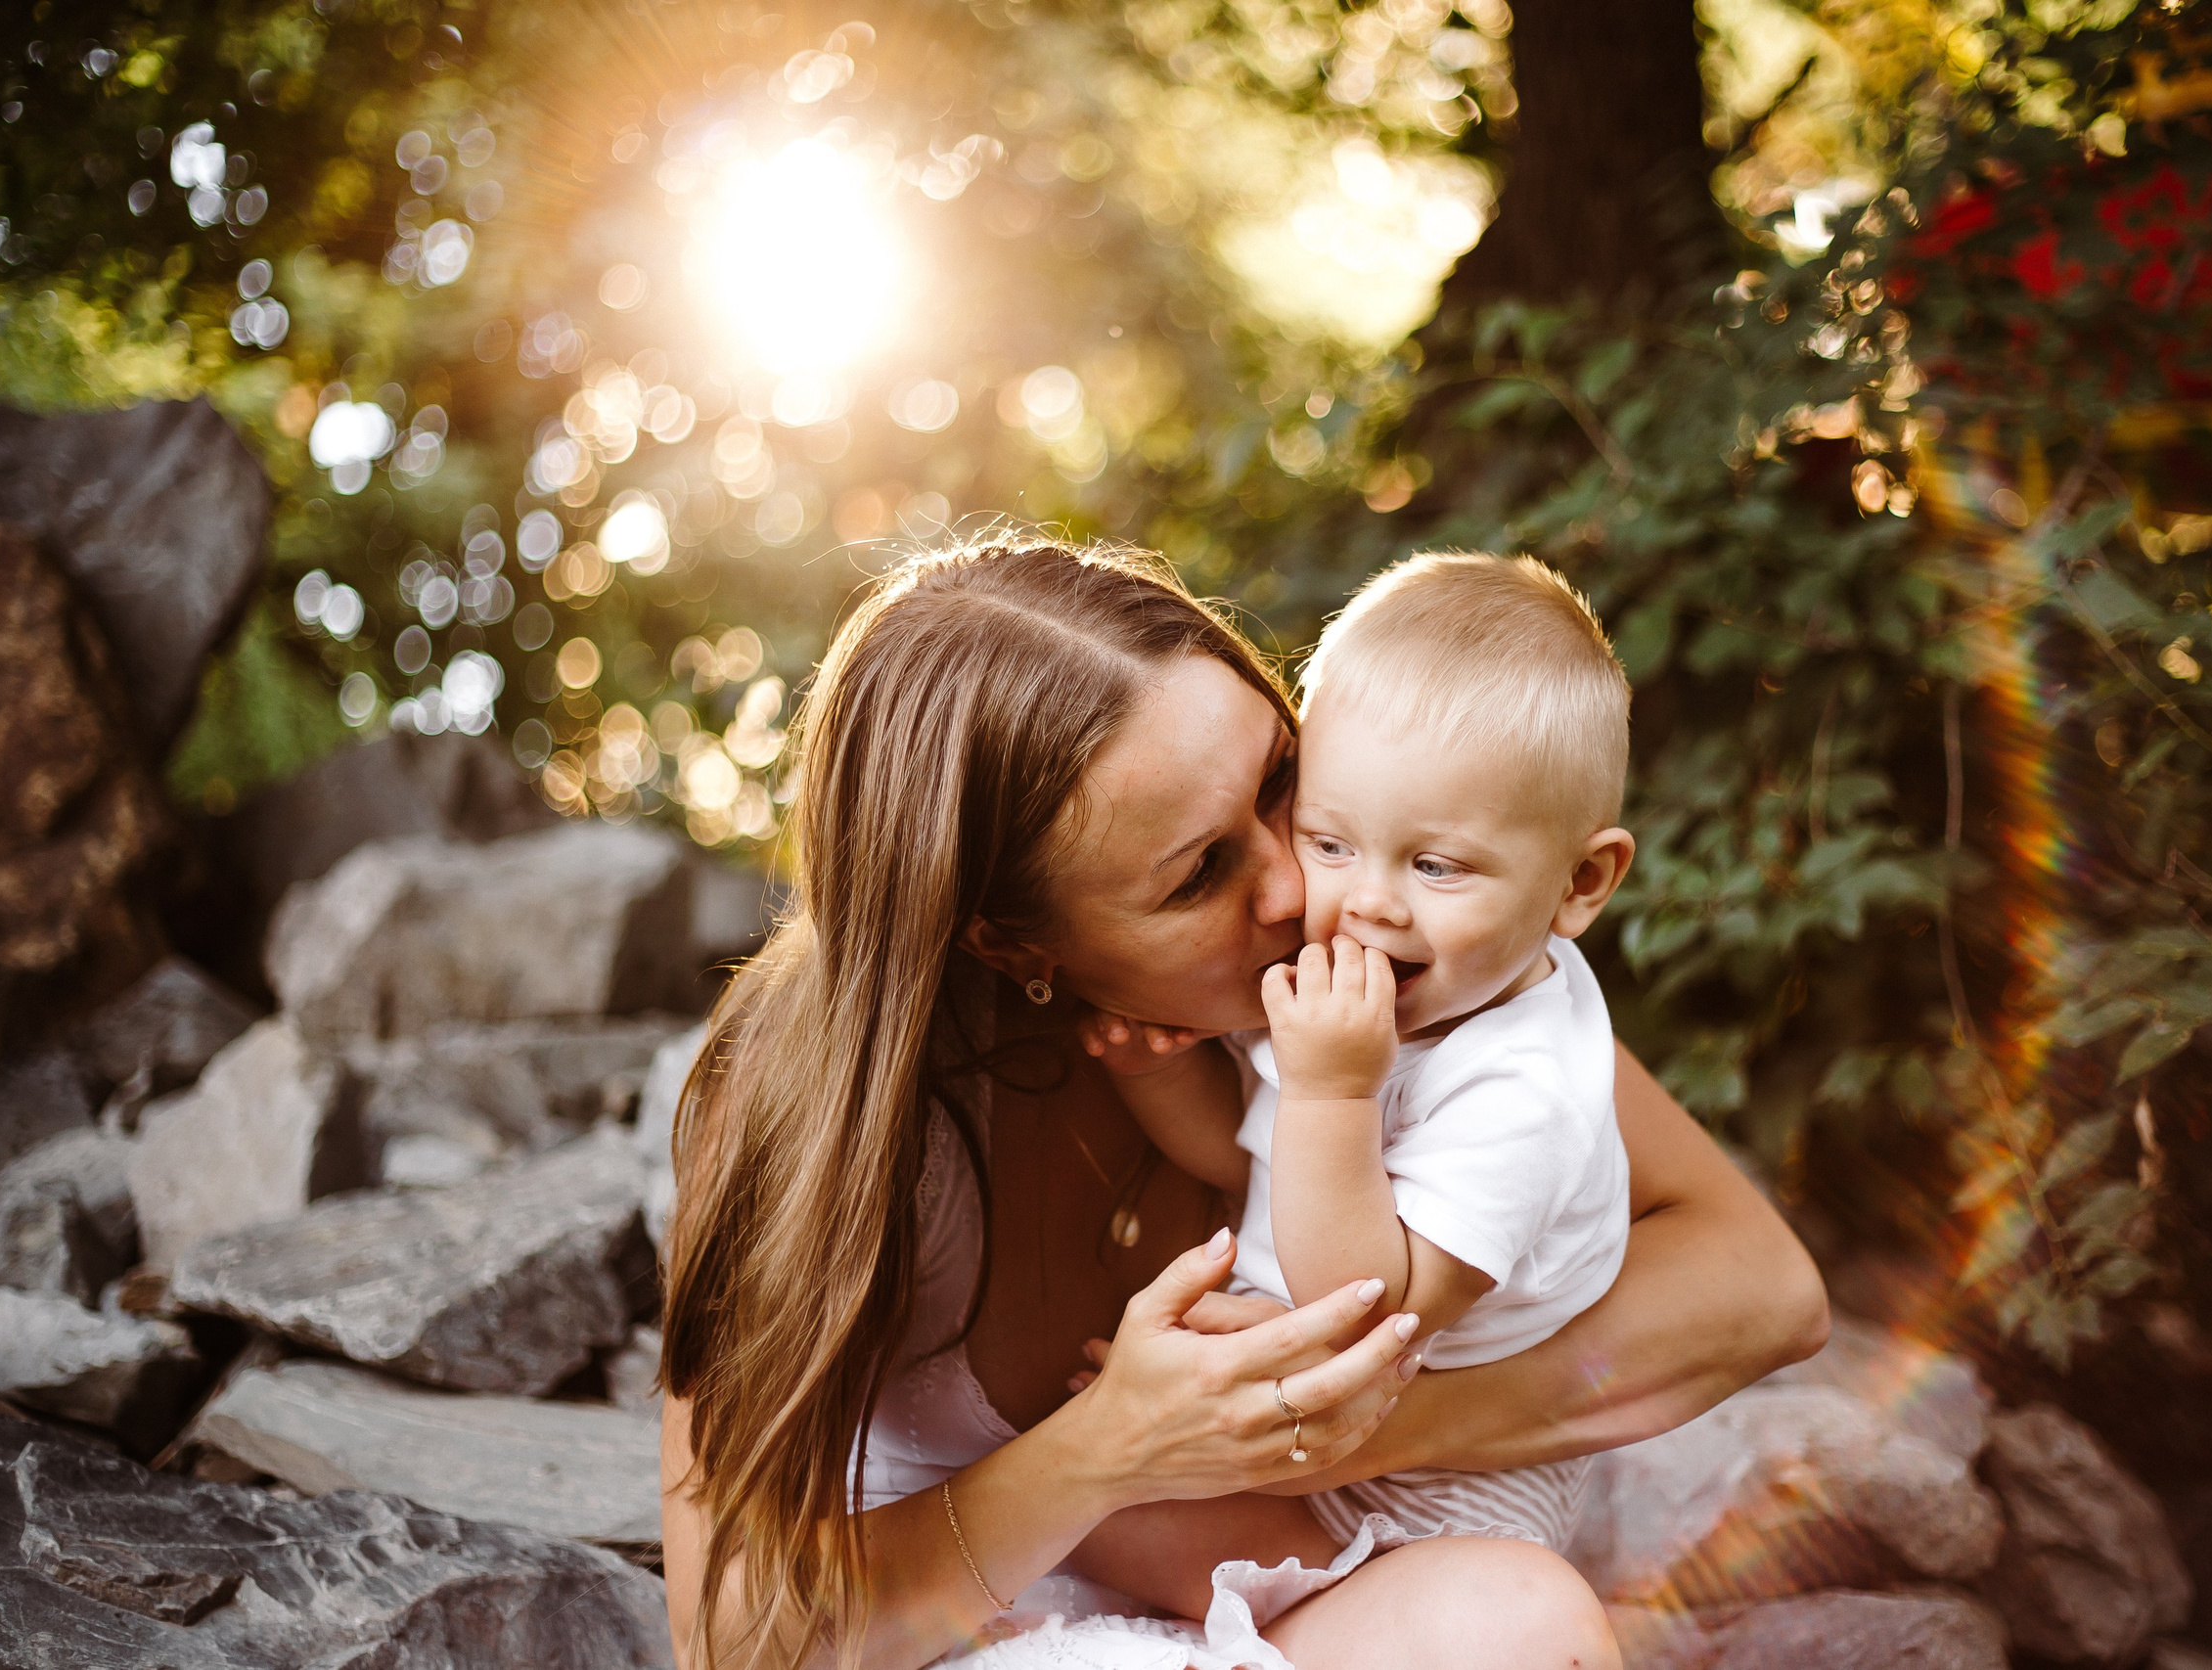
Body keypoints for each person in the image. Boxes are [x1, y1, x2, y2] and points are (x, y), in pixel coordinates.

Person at [656, 541, 1828, 1670]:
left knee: (1528, 1629)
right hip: (959, 1631)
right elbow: (738, 1641)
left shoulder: (1393, 1004)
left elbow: (1760, 1290)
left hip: (1308, 1586)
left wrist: (1351, 1426)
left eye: (1282, 786)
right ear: (1011, 939)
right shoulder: (804, 1094)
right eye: (1198, 874)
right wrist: (1112, 1452)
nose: (1298, 887)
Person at [1085, 554, 1637, 1577]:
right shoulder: (1362, 987)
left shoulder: (1524, 1085)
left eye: (1435, 865)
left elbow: (1364, 1308)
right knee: (1085, 1497)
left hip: (1442, 1474)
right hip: (1323, 1403)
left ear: (1579, 882)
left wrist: (1335, 1088)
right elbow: (1242, 1156)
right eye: (1330, 842)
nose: (1367, 902)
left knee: (1120, 1525)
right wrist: (1153, 1072)